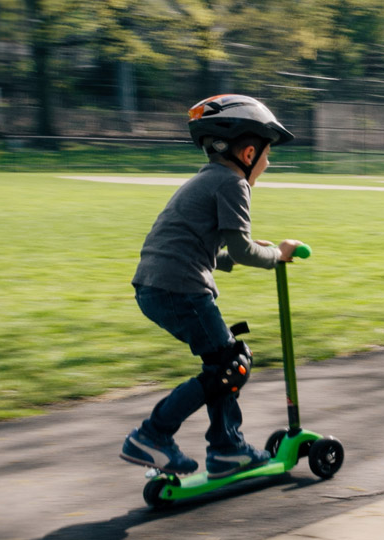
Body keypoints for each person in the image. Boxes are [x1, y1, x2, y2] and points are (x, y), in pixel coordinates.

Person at [120, 94, 302, 479]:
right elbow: (240, 248)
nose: (267, 166)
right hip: (180, 288)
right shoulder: (234, 184)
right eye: (267, 157)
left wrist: (242, 253)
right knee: (230, 365)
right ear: (249, 153)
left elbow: (206, 250)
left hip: (156, 284)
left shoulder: (205, 180)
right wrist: (278, 256)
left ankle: (225, 449)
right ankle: (156, 436)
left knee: (223, 364)